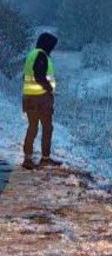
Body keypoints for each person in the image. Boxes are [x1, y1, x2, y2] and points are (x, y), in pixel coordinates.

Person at [21, 32, 61, 170]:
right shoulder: (41, 56)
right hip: (41, 99)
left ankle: (27, 159)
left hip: (28, 97)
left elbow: (26, 76)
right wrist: (49, 88)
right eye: (52, 46)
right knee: (47, 128)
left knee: (32, 127)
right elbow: (39, 76)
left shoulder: (31, 55)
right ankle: (45, 159)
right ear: (47, 44)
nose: (53, 49)